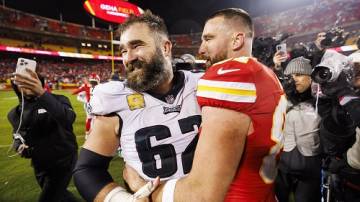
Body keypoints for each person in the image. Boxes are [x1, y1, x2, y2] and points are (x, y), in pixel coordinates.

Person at [124, 8, 287, 202]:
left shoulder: (230, 77)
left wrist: (144, 189)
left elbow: (200, 195)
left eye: (208, 39)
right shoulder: (267, 74)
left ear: (237, 40)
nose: (200, 49)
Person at [73, 11, 202, 202]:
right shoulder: (114, 99)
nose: (128, 58)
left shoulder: (202, 84)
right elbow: (87, 170)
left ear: (165, 47)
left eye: (137, 46)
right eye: (124, 51)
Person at [8, 69, 78, 202]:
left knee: (49, 197)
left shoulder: (60, 100)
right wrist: (19, 146)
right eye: (21, 81)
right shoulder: (15, 114)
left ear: (39, 82)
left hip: (64, 160)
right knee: (61, 195)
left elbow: (68, 119)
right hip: (39, 164)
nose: (25, 84)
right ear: (15, 86)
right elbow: (17, 135)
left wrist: (41, 93)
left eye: (30, 80)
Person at [313, 50, 360, 201]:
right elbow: (331, 125)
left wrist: (344, 163)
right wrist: (328, 95)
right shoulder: (348, 98)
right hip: (343, 179)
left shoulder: (349, 98)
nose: (353, 75)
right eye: (352, 70)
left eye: (357, 71)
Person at [275, 57, 322, 202]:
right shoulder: (283, 99)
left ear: (311, 77)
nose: (295, 79)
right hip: (282, 165)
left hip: (310, 166)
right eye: (291, 76)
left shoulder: (321, 101)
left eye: (299, 74)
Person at [72, 73, 100, 138]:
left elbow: (75, 92)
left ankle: (87, 134)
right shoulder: (100, 87)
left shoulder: (85, 86)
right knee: (96, 119)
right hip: (97, 104)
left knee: (89, 119)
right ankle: (95, 133)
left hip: (88, 105)